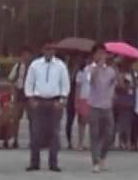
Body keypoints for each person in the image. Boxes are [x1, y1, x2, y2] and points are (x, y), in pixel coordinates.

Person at [24, 41, 70, 172]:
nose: (49, 51)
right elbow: (29, 82)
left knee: (54, 133)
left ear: (54, 51)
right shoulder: (35, 65)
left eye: (51, 49)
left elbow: (65, 84)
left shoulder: (60, 65)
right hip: (38, 101)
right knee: (36, 132)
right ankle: (34, 162)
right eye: (46, 49)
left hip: (55, 101)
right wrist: (31, 98)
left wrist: (62, 99)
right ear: (42, 50)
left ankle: (53, 163)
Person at [86, 44, 118, 172]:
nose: (101, 56)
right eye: (98, 53)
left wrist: (115, 68)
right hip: (94, 106)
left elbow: (114, 84)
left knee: (109, 134)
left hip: (107, 106)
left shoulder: (110, 70)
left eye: (103, 53)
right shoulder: (89, 68)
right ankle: (95, 161)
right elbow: (91, 80)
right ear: (94, 55)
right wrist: (98, 67)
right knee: (94, 135)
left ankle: (103, 156)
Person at [7, 46, 33, 149]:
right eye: (24, 54)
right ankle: (15, 139)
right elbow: (11, 79)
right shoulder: (17, 66)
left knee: (32, 119)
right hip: (20, 93)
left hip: (30, 94)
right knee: (15, 118)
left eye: (28, 54)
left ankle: (33, 140)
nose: (26, 56)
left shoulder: (33, 66)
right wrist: (13, 91)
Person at [73, 58, 91, 151]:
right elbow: (78, 87)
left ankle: (90, 143)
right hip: (83, 98)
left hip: (92, 99)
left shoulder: (95, 71)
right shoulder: (81, 73)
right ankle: (80, 143)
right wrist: (76, 101)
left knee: (92, 122)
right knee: (82, 122)